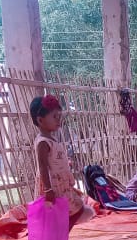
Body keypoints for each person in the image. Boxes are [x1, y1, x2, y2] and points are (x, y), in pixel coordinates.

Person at [30, 94, 95, 230]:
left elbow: (54, 160)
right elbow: (42, 166)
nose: (58, 120)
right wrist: (48, 189)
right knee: (67, 212)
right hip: (54, 187)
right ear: (41, 120)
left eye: (59, 116)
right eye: (54, 117)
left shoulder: (52, 140)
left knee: (73, 211)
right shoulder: (43, 142)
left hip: (62, 185)